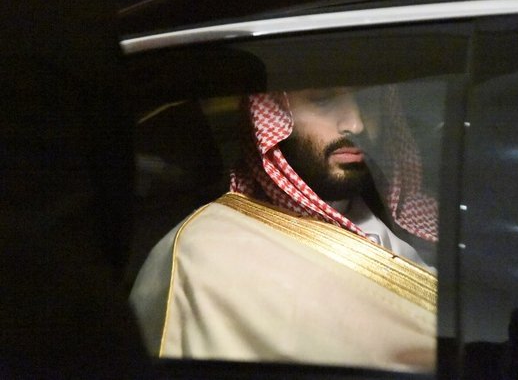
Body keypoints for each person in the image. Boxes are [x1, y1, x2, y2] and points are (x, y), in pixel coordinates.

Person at [130, 85, 439, 371]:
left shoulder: (407, 222)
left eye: (367, 100)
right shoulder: (203, 254)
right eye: (322, 99)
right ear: (272, 116)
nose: (356, 124)